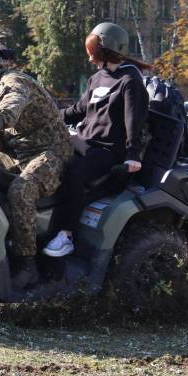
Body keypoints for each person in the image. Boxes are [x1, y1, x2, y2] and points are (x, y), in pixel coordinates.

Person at [0, 40, 72, 289]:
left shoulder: (13, 81)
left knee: (21, 190)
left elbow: (9, 112)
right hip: (18, 152)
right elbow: (4, 135)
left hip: (49, 153)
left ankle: (27, 265)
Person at [42, 23, 151, 257]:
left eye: (93, 53)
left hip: (110, 150)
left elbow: (135, 122)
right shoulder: (97, 78)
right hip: (86, 141)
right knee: (47, 153)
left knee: (74, 171)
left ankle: (66, 235)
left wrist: (133, 155)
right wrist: (48, 118)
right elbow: (79, 110)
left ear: (107, 52)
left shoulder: (130, 80)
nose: (90, 59)